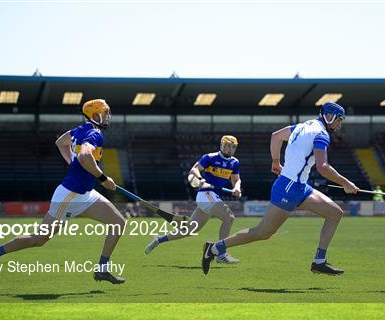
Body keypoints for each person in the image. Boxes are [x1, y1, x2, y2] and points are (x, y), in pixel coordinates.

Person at [0, 99, 126, 284]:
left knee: (118, 222)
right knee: (39, 239)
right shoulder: (94, 133)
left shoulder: (80, 130)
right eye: (106, 112)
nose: (108, 116)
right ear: (95, 115)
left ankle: (102, 269)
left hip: (85, 194)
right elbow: (85, 155)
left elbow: (60, 142)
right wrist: (103, 179)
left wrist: (73, 162)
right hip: (70, 196)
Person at [201, 102, 359, 275]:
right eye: (339, 120)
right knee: (262, 232)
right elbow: (322, 167)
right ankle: (215, 248)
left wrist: (276, 162)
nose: (339, 124)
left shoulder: (302, 126)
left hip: (299, 186)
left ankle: (319, 261)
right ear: (330, 116)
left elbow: (276, 136)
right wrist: (345, 183)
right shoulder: (321, 135)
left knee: (335, 213)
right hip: (289, 188)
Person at [144, 135, 242, 264]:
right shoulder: (210, 158)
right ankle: (221, 253)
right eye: (228, 146)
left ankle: (158, 240)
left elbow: (236, 179)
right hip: (206, 194)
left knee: (189, 230)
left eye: (233, 147)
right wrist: (201, 179)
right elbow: (194, 169)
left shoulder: (234, 162)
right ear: (222, 145)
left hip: (212, 197)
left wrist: (237, 188)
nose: (230, 149)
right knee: (229, 218)